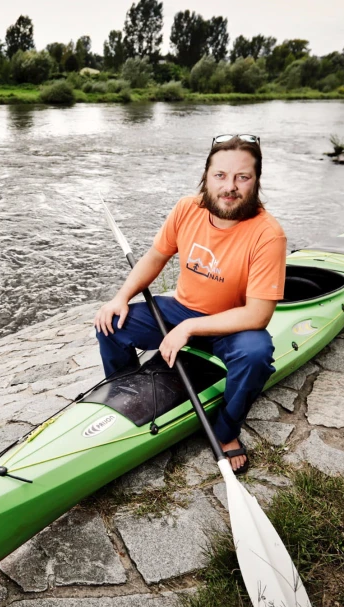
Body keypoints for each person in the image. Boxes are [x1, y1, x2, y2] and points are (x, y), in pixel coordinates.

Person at [93, 134, 286, 474]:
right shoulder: (187, 209)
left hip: (231, 323)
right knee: (111, 324)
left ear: (256, 181)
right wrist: (120, 298)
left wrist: (189, 328)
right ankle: (129, 396)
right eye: (221, 175)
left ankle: (226, 431)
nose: (231, 186)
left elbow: (258, 315)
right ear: (206, 175)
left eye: (243, 177)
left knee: (256, 354)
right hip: (180, 309)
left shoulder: (268, 234)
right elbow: (155, 258)